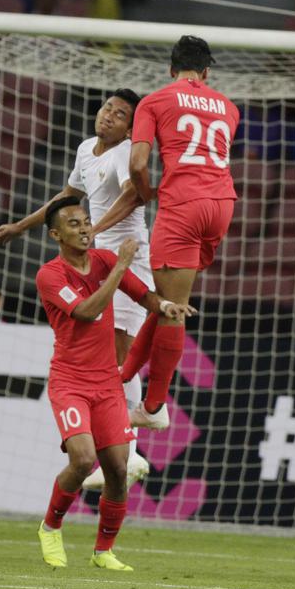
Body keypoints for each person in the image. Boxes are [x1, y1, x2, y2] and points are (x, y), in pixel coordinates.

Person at [0, 89, 155, 486]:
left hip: (130, 256)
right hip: (99, 261)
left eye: (120, 114)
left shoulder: (126, 153)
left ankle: (133, 445)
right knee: (110, 353)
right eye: (107, 109)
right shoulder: (86, 150)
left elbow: (137, 194)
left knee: (118, 353)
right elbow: (67, 198)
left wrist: (92, 229)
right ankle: (141, 427)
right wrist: (20, 227)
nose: (109, 116)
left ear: (131, 127)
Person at [33, 196, 194, 571]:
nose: (85, 228)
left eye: (87, 221)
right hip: (70, 381)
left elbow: (142, 293)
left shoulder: (105, 262)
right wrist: (121, 265)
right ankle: (51, 526)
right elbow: (87, 312)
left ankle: (103, 550)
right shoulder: (50, 275)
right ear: (56, 234)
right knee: (84, 458)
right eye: (74, 224)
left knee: (119, 471)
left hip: (107, 383)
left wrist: (164, 307)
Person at [88, 36, 240, 430]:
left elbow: (138, 162)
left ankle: (153, 409)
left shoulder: (155, 101)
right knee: (171, 300)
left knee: (171, 309)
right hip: (222, 205)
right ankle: (122, 378)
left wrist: (148, 191)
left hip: (182, 206)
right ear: (207, 72)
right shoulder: (229, 108)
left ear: (171, 69)